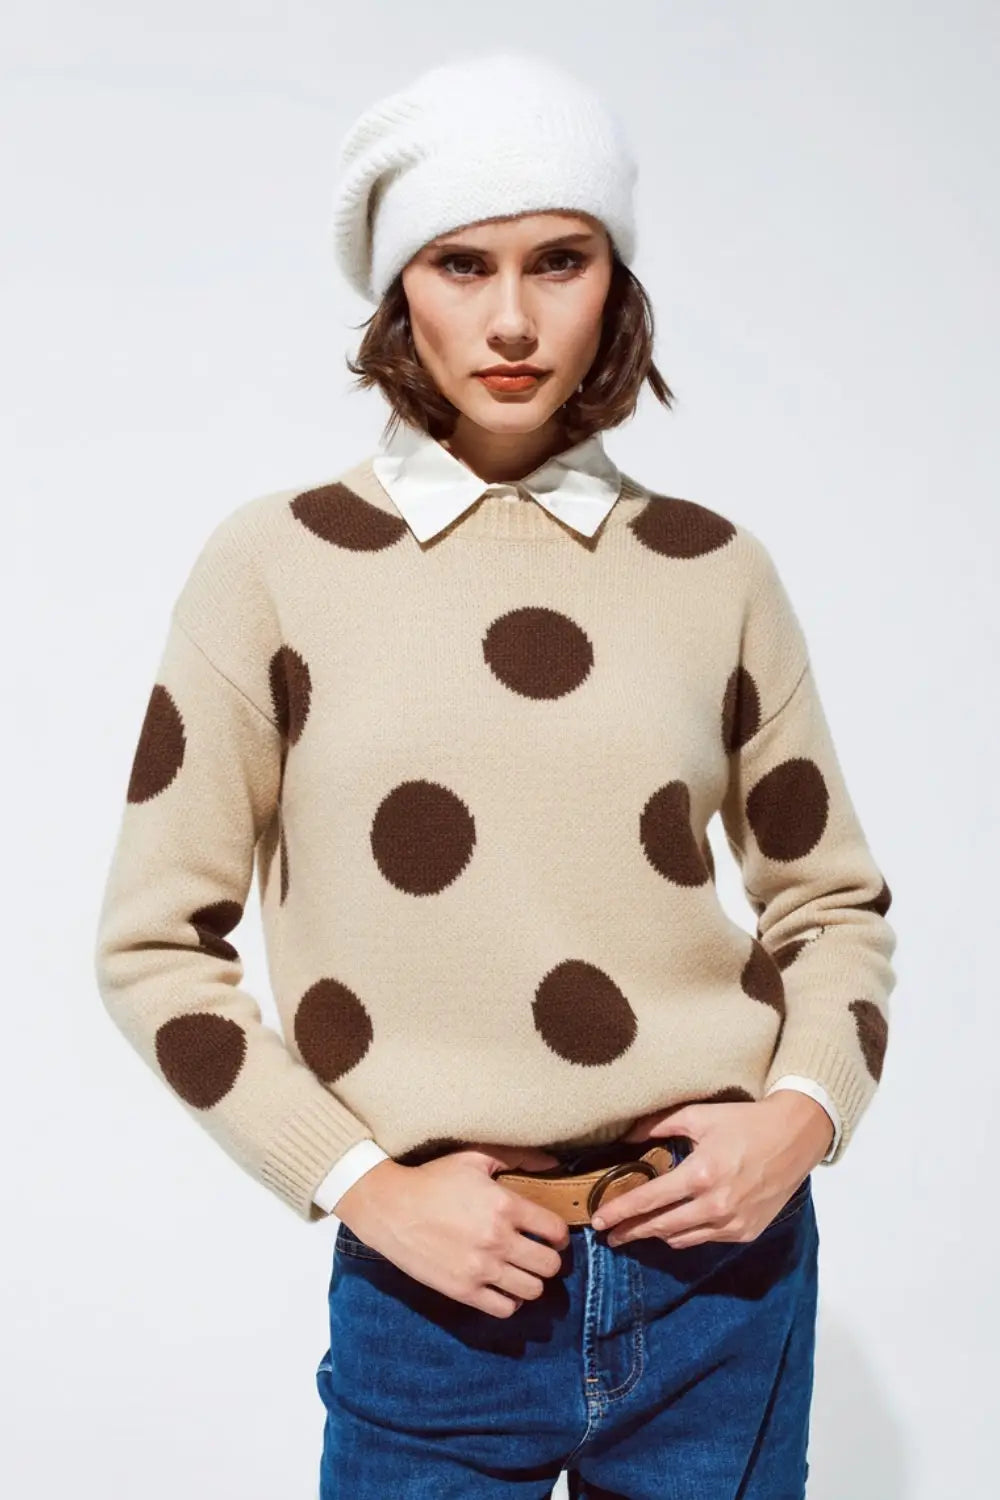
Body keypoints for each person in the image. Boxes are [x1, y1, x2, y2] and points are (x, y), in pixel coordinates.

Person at [94, 49, 897, 1498]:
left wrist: (799, 1121)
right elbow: (153, 946)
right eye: (461, 264)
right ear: (398, 286)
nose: (514, 318)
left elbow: (831, 903)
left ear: (616, 282)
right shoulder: (274, 566)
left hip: (720, 1281)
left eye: (559, 261)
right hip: (437, 1297)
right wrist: (362, 1188)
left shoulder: (715, 570)